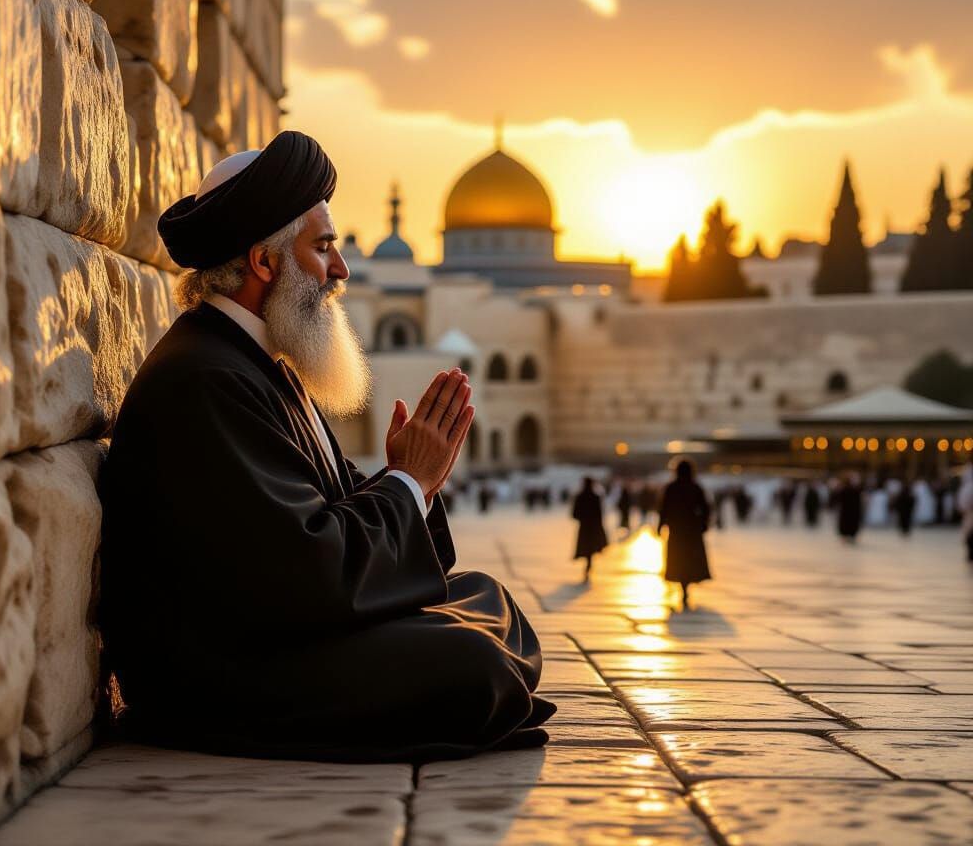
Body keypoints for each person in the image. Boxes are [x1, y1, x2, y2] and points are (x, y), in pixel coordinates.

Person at [98, 131, 554, 762]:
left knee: (485, 597)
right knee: (474, 658)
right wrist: (406, 485)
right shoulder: (204, 379)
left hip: (278, 631)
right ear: (263, 262)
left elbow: (310, 529)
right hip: (224, 675)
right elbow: (305, 571)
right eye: (324, 247)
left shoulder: (257, 365)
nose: (340, 270)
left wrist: (405, 478)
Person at [658, 458, 712, 608]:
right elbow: (706, 508)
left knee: (678, 559)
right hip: (692, 530)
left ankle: (683, 587)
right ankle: (686, 587)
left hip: (677, 530)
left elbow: (664, 509)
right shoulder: (696, 487)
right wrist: (703, 524)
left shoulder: (671, 488)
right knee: (689, 560)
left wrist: (661, 526)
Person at [572, 475, 608, 581]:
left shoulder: (579, 496)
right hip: (593, 527)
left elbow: (574, 514)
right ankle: (589, 565)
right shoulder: (595, 497)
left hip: (584, 527)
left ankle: (588, 566)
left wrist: (583, 517)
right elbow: (600, 514)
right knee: (591, 548)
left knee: (586, 547)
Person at [835, 473, 863, 543]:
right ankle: (847, 537)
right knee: (847, 524)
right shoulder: (847, 489)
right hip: (848, 511)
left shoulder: (855, 489)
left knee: (850, 524)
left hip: (851, 511)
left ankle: (850, 537)